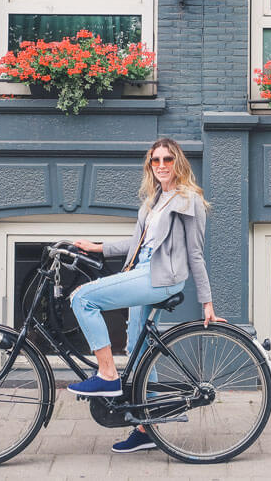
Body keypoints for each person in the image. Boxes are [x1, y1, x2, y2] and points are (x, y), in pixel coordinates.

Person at [68, 137, 223, 454]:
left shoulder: (187, 200)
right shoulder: (153, 202)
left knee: (82, 298)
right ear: (150, 165)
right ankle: (146, 428)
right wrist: (97, 247)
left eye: (168, 159)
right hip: (140, 274)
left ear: (178, 163)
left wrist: (207, 302)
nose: (162, 165)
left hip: (161, 278)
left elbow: (195, 254)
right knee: (138, 353)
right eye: (156, 160)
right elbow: (134, 244)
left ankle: (107, 374)